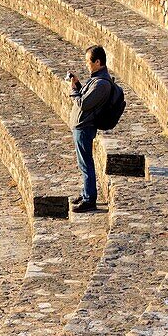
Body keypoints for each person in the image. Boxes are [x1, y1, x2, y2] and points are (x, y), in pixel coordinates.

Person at [67, 45, 114, 213]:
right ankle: (86, 192)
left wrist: (73, 91)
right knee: (83, 163)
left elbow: (85, 104)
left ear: (98, 62)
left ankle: (89, 199)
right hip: (81, 126)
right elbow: (86, 98)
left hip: (85, 127)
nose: (87, 64)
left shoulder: (101, 84)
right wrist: (78, 84)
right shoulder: (96, 80)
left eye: (88, 61)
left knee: (86, 163)